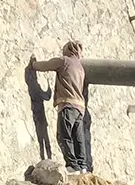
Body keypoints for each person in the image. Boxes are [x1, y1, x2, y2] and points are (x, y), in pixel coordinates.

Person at [29, 42, 91, 174]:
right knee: (78, 138)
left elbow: (46, 65)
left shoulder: (64, 61)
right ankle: (82, 166)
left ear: (68, 49)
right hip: (80, 107)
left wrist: (33, 64)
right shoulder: (80, 67)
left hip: (68, 104)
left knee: (64, 135)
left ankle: (72, 166)